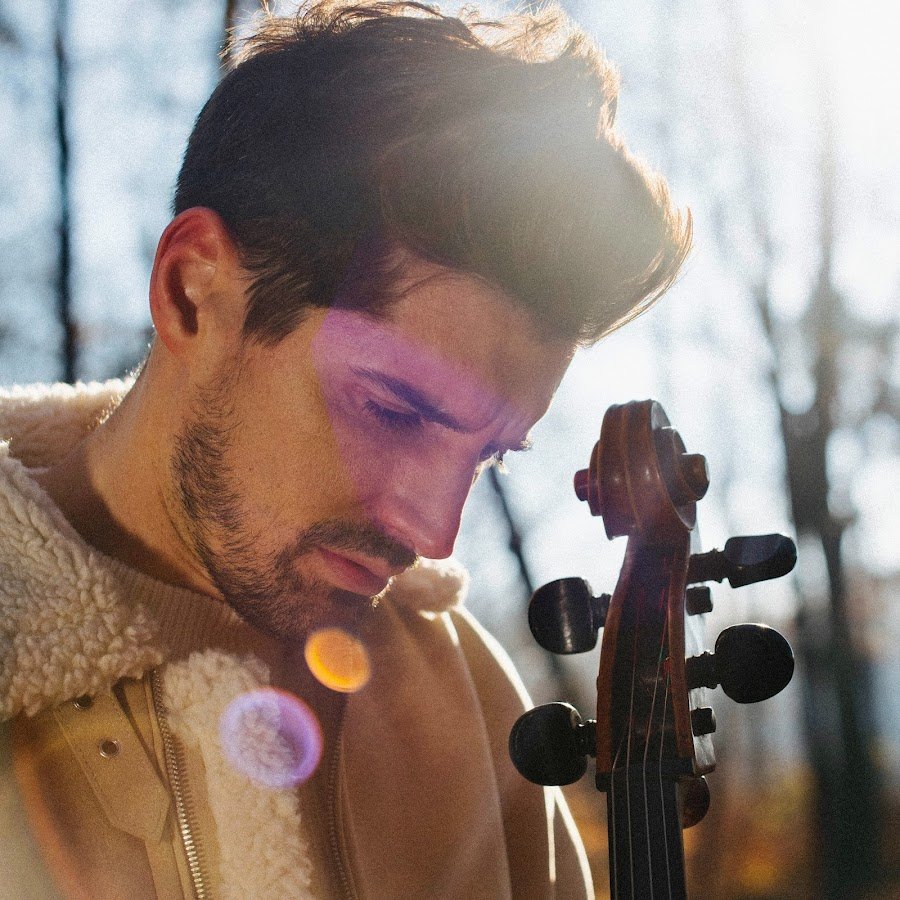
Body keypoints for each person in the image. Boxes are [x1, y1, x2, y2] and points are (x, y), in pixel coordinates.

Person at [0, 1, 690, 897]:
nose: (434, 534)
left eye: (487, 455)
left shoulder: (473, 700)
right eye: (394, 412)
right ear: (192, 293)